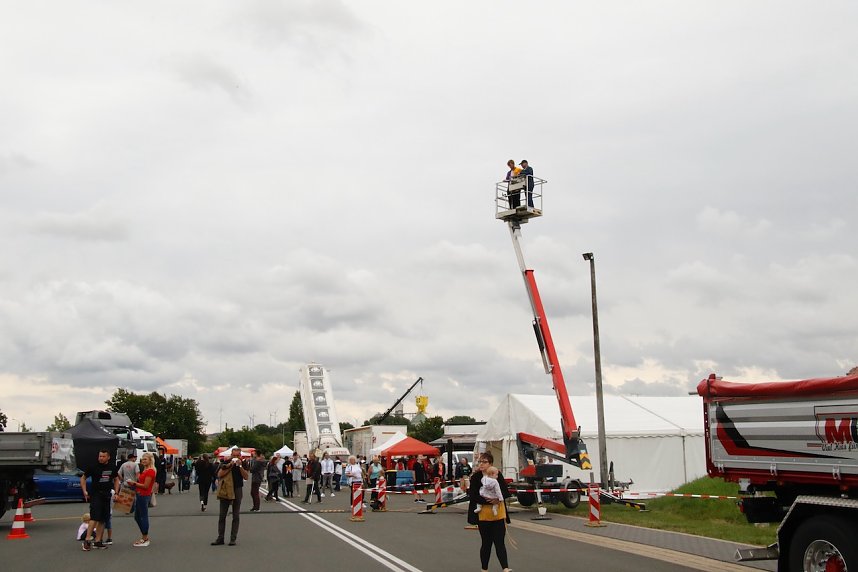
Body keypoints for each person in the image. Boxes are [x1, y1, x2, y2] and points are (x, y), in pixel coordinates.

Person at [469, 452, 512, 572]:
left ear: (491, 464)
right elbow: (473, 495)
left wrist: (497, 499)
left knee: (500, 542)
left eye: (484, 462)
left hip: (498, 514)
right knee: (486, 543)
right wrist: (489, 501)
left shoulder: (497, 474)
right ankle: (484, 568)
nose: (481, 464)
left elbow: (505, 491)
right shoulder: (476, 477)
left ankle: (505, 568)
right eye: (480, 462)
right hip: (483, 515)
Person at [79, 448, 120, 551]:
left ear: (108, 457)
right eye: (100, 456)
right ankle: (87, 540)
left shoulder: (112, 467)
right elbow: (83, 478)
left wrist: (116, 492)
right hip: (96, 495)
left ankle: (98, 541)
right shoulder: (93, 466)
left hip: (107, 495)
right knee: (94, 518)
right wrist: (84, 491)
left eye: (103, 456)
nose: (101, 458)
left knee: (103, 519)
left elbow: (116, 479)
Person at [212, 448, 249, 546]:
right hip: (226, 489)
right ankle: (220, 537)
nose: (235, 457)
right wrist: (230, 465)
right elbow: (220, 474)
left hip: (237, 489)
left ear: (240, 455)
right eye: (234, 455)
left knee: (236, 515)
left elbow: (246, 477)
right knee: (222, 515)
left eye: (237, 455)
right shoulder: (226, 462)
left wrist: (240, 466)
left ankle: (233, 538)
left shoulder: (243, 463)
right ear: (231, 454)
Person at [127, 452, 157, 547]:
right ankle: (144, 536)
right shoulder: (145, 470)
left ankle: (145, 538)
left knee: (143, 516)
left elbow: (146, 486)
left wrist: (134, 483)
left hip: (144, 495)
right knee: (137, 516)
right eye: (142, 459)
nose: (143, 460)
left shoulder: (150, 471)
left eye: (145, 459)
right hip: (140, 494)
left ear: (150, 460)